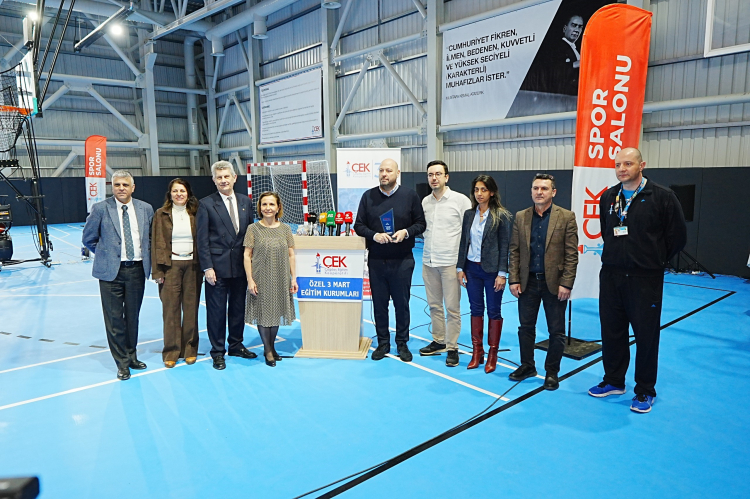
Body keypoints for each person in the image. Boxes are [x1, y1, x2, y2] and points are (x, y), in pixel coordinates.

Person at [588, 147, 687, 413]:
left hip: (645, 278)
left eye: (628, 164)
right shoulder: (609, 196)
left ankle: (644, 390)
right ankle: (613, 380)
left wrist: (653, 260)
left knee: (646, 336)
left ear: (641, 165)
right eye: (618, 164)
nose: (622, 169)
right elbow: (607, 231)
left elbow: (677, 237)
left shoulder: (662, 196)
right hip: (611, 276)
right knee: (612, 331)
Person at [508, 174, 579, 390]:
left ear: (553, 192)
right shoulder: (521, 216)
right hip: (527, 282)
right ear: (531, 191)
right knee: (525, 328)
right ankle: (527, 365)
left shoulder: (566, 217)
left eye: (544, 188)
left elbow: (571, 254)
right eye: (536, 188)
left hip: (555, 284)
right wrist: (514, 279)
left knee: (556, 331)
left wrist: (566, 283)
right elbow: (514, 250)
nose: (539, 192)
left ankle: (552, 372)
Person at [82, 170, 154, 381]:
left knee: (132, 317)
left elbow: (150, 238)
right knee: (114, 320)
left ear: (133, 187)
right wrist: (106, 256)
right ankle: (121, 363)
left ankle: (132, 356)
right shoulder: (100, 208)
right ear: (111, 187)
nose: (121, 188)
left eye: (125, 185)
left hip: (137, 270)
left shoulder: (146, 209)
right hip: (110, 273)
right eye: (117, 185)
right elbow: (88, 238)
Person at [354, 158, 426, 362]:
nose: (384, 174)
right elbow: (358, 225)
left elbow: (421, 224)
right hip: (377, 260)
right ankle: (383, 343)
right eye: (381, 170)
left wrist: (406, 232)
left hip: (402, 260)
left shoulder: (410, 196)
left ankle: (402, 343)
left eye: (389, 170)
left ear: (397, 173)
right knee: (379, 305)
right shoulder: (368, 196)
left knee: (402, 305)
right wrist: (374, 235)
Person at [197, 160, 257, 370]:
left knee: (238, 308)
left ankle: (236, 345)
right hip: (217, 267)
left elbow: (250, 235)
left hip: (240, 266)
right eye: (219, 177)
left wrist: (251, 267)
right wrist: (207, 267)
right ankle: (217, 351)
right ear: (214, 180)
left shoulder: (246, 201)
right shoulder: (206, 204)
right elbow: (202, 239)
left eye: (226, 176)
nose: (223, 180)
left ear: (234, 178)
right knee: (216, 311)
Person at [418, 160, 472, 367]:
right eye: (430, 174)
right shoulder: (425, 202)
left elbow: (468, 234)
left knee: (452, 308)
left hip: (450, 262)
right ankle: (439, 340)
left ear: (446, 177)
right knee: (434, 305)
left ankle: (452, 347)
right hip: (428, 261)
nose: (434, 178)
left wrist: (462, 265)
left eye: (438, 174)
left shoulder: (460, 201)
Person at [457, 175, 511, 373]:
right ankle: (477, 351)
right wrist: (460, 268)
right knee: (475, 309)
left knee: (494, 311)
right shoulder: (469, 215)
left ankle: (492, 354)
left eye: (484, 190)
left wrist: (502, 273)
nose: (479, 194)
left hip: (492, 272)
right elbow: (464, 243)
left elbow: (505, 246)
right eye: (476, 190)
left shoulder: (501, 215)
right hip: (472, 269)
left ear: (492, 192)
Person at [151, 178, 202, 368]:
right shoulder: (161, 214)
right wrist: (157, 271)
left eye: (182, 191)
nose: (179, 194)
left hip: (193, 266)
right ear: (170, 194)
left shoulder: (196, 213)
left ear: (188, 193)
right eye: (175, 191)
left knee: (191, 309)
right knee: (170, 310)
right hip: (170, 266)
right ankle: (171, 351)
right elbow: (155, 243)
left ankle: (190, 349)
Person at [243, 192, 298, 367]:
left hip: (281, 277)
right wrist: (250, 280)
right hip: (260, 277)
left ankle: (272, 347)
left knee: (275, 313)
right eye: (264, 204)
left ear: (278, 207)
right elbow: (247, 255)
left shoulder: (286, 229)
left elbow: (291, 255)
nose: (268, 208)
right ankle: (268, 350)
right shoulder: (253, 229)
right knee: (263, 314)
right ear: (260, 207)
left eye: (271, 204)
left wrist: (294, 278)